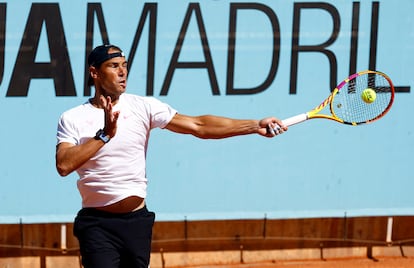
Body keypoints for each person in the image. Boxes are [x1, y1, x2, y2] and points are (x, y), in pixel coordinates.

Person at [55, 44, 287, 268]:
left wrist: (254, 125)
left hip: (137, 224)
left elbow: (199, 125)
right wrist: (104, 135)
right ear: (94, 72)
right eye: (114, 66)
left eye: (125, 65)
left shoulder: (143, 107)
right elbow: (64, 165)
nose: (123, 72)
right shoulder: (73, 118)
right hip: (97, 226)